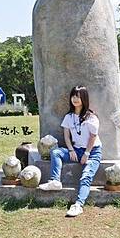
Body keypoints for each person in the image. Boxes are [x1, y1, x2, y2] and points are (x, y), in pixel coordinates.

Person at [38, 85, 102, 217]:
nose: (75, 99)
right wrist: (71, 150)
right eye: (73, 96)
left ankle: (78, 205)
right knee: (56, 153)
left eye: (78, 96)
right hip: (76, 150)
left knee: (86, 177)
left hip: (92, 152)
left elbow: (93, 136)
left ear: (84, 98)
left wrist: (87, 154)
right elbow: (66, 135)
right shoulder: (69, 117)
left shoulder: (91, 117)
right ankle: (55, 181)